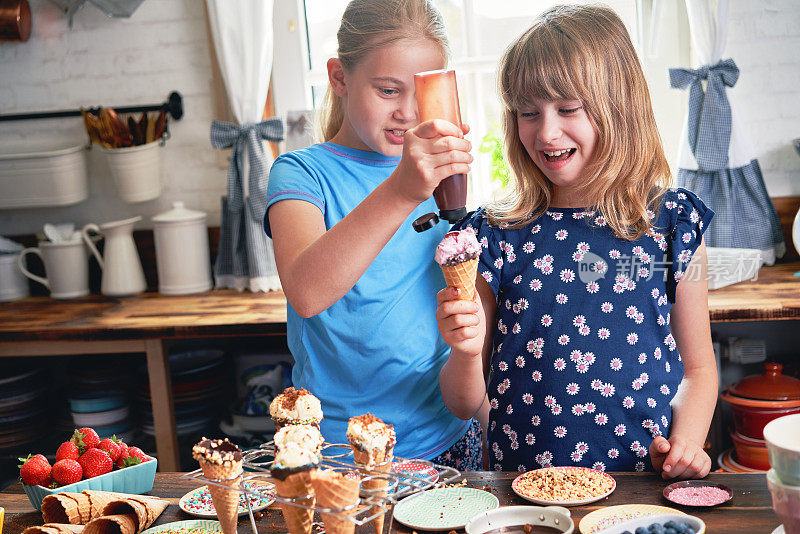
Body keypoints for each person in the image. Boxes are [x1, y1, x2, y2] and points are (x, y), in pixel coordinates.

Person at [436, 4, 718, 478]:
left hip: (639, 485)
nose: (546, 132)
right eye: (529, 112)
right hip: (525, 489)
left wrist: (686, 445)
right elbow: (464, 403)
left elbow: (699, 371)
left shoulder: (672, 224)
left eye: (568, 108)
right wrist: (464, 352)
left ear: (619, 105)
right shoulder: (494, 234)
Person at [265, 0, 481, 468]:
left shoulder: (437, 176)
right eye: (388, 91)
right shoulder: (301, 174)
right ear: (340, 78)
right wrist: (402, 190)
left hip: (443, 443)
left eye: (421, 94)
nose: (407, 113)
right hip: (336, 453)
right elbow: (306, 291)